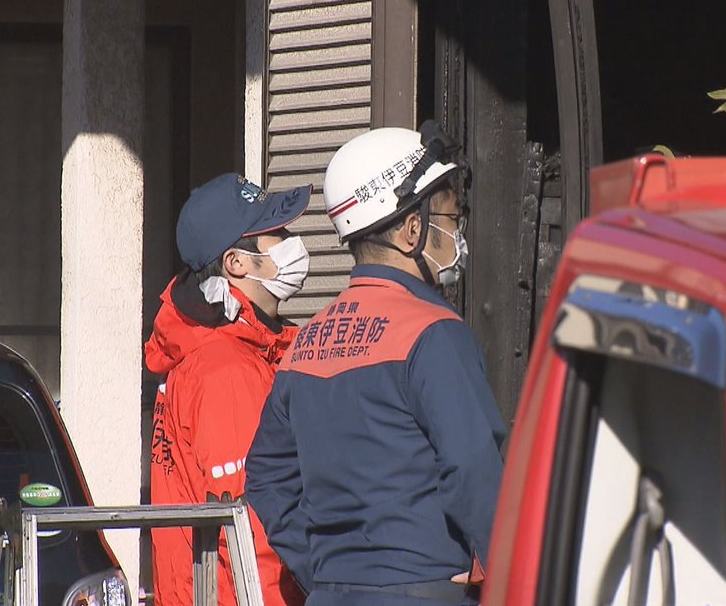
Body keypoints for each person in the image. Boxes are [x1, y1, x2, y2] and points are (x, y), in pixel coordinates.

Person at [245, 122, 507, 606]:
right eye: (450, 219)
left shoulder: (304, 345)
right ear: (412, 231)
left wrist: (322, 572)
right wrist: (510, 575)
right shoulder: (433, 332)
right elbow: (475, 470)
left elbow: (265, 477)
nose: (457, 234)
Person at [146, 173, 311, 606]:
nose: (292, 243)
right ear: (237, 263)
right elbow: (255, 532)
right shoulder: (225, 370)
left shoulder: (226, 350)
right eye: (277, 233)